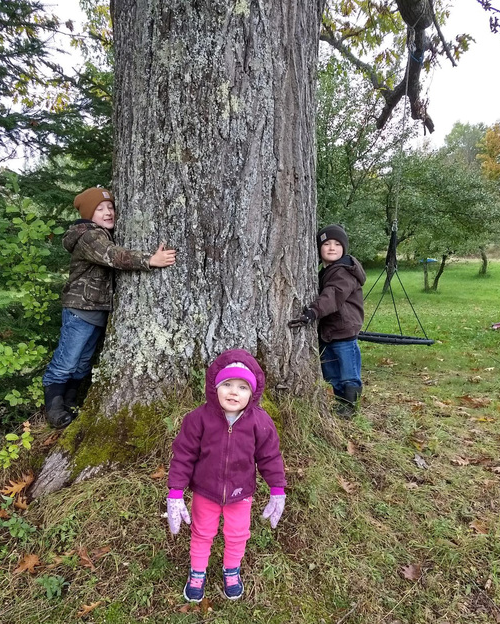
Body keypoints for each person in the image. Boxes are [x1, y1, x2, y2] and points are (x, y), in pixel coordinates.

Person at [42, 187, 176, 428]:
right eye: (99, 209)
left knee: (82, 362)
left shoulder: (102, 233)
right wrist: (149, 260)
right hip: (80, 310)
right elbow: (112, 255)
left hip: (96, 312)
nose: (107, 212)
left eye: (110, 207)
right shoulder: (88, 236)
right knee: (67, 361)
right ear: (88, 214)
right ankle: (54, 409)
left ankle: (70, 403)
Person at [166, 349, 286, 603]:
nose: (234, 392)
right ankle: (197, 572)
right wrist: (176, 493)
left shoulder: (260, 422)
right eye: (227, 384)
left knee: (237, 534)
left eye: (242, 387)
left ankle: (231, 570)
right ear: (214, 387)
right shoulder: (198, 419)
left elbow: (270, 457)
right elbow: (183, 455)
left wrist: (277, 489)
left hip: (240, 493)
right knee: (202, 532)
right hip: (205, 491)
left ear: (252, 393)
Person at [289, 225, 366, 417]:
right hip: (329, 331)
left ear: (344, 248)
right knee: (331, 371)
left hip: (344, 331)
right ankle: (341, 403)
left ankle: (350, 406)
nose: (332, 247)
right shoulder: (326, 272)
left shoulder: (344, 271)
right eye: (326, 243)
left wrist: (313, 312)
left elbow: (333, 295)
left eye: (338, 244)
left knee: (348, 372)